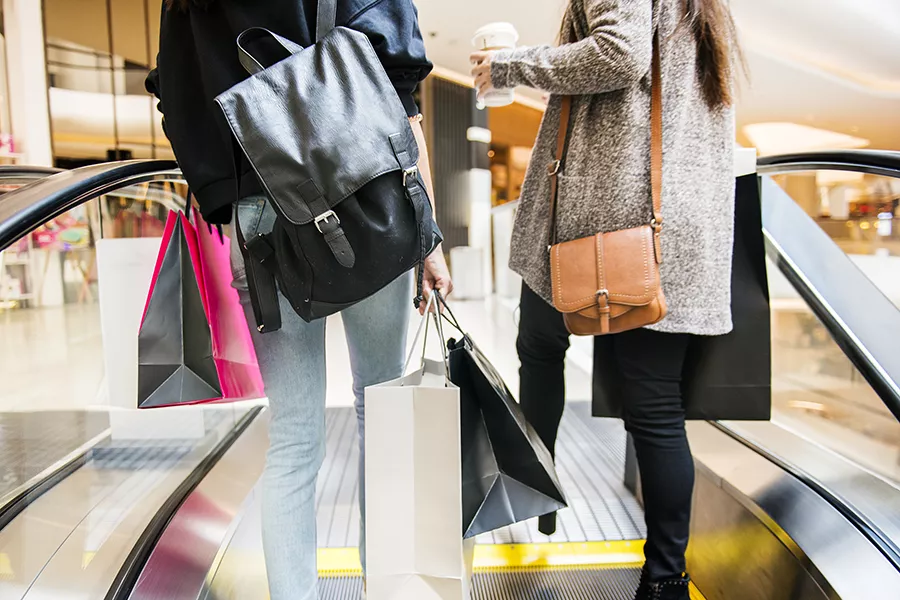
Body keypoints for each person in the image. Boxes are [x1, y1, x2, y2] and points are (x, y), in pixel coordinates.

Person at [147, 1, 452, 599]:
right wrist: (429, 239)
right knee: (381, 408)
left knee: (293, 438)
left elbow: (176, 95)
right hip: (361, 193)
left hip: (257, 217)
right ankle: (389, 586)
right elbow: (398, 79)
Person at [471, 0, 740, 599]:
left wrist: (510, 67)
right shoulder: (702, 12)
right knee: (652, 404)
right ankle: (665, 577)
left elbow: (618, 55)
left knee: (541, 349)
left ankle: (534, 495)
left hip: (602, 226)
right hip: (663, 225)